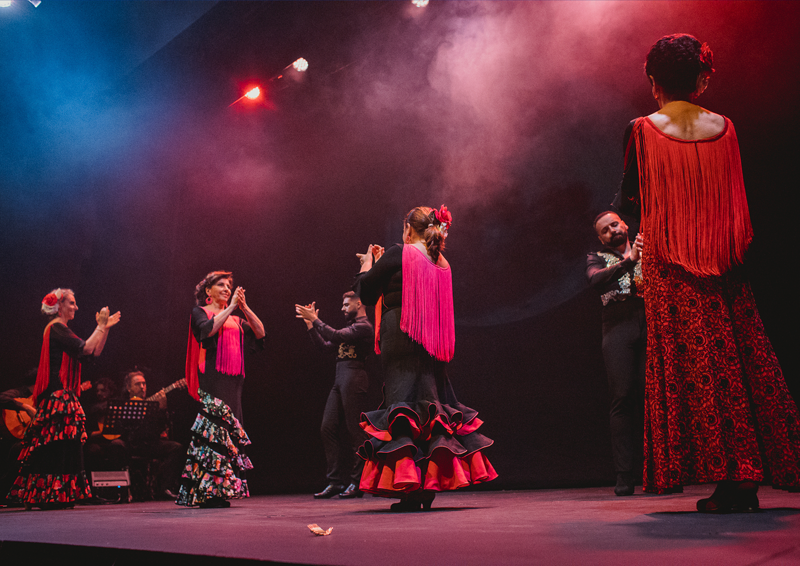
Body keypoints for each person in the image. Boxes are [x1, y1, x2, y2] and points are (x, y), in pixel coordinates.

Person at [616, 34, 800, 511]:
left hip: (671, 265)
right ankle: (747, 477)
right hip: (724, 260)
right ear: (701, 79)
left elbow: (629, 201)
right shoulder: (726, 127)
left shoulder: (642, 129)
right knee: (741, 364)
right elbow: (734, 201)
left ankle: (732, 477)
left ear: (653, 80)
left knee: (697, 372)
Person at [353, 205, 497, 511]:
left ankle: (410, 487)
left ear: (408, 229)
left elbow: (366, 293)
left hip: (401, 333)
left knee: (403, 404)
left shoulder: (399, 252)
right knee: (428, 407)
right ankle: (424, 486)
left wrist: (367, 264)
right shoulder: (440, 261)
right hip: (430, 340)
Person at [9, 288, 120, 509]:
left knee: (68, 447)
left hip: (63, 396)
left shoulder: (62, 330)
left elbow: (92, 352)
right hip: (57, 397)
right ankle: (49, 495)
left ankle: (60, 494)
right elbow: (86, 347)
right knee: (57, 448)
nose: (76, 307)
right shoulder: (56, 328)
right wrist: (100, 326)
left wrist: (105, 329)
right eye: (71, 303)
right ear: (59, 306)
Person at [177, 271, 265, 508]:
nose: (227, 289)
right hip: (213, 379)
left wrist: (244, 308)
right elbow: (207, 331)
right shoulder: (200, 312)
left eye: (229, 286)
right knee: (214, 433)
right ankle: (207, 492)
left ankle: (220, 490)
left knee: (228, 434)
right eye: (221, 285)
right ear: (208, 291)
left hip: (234, 382)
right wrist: (231, 307)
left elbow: (260, 332)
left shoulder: (236, 320)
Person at [586, 211, 646, 496]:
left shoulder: (647, 248)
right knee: (621, 397)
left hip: (651, 322)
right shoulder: (596, 257)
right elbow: (595, 280)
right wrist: (630, 260)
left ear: (625, 224)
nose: (611, 231)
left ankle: (663, 469)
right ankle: (624, 475)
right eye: (605, 230)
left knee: (655, 397)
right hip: (617, 327)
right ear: (601, 239)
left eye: (614, 224)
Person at [295, 291, 374, 500]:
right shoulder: (350, 329)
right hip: (340, 379)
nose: (342, 308)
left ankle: (358, 482)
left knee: (355, 431)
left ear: (359, 303)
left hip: (354, 377)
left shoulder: (364, 327)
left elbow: (336, 335)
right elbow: (324, 346)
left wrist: (316, 319)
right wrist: (310, 325)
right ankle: (335, 482)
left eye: (347, 304)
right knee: (327, 428)